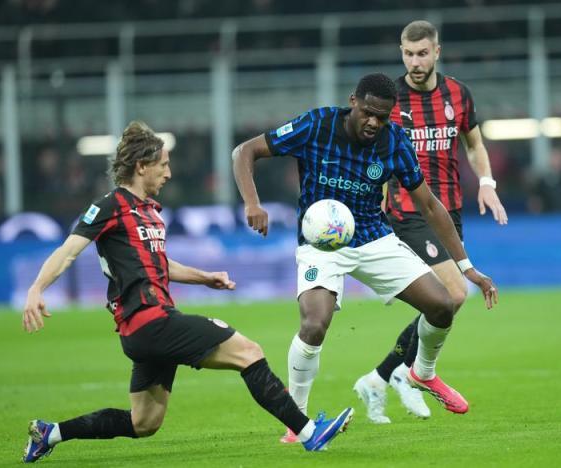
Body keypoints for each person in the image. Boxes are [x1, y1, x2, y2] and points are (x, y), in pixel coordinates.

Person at [21, 121, 354, 463]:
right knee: (248, 352)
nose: (168, 173)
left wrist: (204, 278)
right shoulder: (111, 205)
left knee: (144, 422)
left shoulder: (150, 211)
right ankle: (309, 433)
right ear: (141, 166)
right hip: (148, 320)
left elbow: (159, 264)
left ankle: (50, 433)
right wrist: (36, 289)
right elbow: (68, 251)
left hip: (148, 326)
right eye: (163, 165)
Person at [232, 72, 498, 443]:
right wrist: (252, 203)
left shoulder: (394, 141)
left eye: (382, 117)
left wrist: (467, 268)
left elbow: (429, 205)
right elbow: (244, 151)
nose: (373, 122)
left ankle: (422, 372)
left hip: (373, 238)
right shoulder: (318, 125)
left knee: (443, 305)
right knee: (314, 324)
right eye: (368, 113)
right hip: (321, 245)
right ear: (353, 101)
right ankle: (296, 421)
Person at [354, 20, 508, 424]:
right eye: (408, 54)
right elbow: (367, 150)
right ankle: (416, 374)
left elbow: (474, 143)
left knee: (443, 302)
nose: (415, 62)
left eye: (422, 53)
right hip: (408, 211)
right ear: (401, 52)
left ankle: (381, 377)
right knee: (455, 293)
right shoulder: (390, 101)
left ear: (436, 52)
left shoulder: (458, 94)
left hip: (448, 212)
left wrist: (486, 183)